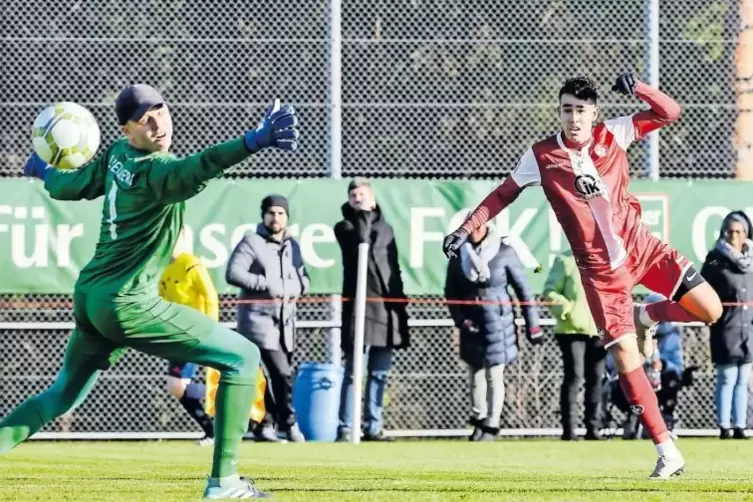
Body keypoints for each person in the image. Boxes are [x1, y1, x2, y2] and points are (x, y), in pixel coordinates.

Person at [4, 83, 299, 499]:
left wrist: (44, 170)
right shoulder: (153, 170)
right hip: (126, 302)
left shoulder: (117, 157)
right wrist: (253, 141)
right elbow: (201, 165)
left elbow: (70, 186)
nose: (158, 122)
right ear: (128, 130)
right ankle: (224, 483)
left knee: (62, 395)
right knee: (243, 356)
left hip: (91, 298)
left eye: (161, 110)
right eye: (145, 119)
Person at [442, 73, 722, 479]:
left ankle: (650, 315)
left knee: (711, 311)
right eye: (567, 109)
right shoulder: (541, 155)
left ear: (594, 113)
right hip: (600, 276)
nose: (573, 118)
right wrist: (466, 229)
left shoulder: (615, 133)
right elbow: (503, 193)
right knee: (626, 356)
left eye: (581, 110)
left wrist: (640, 88)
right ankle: (667, 449)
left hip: (643, 250)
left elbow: (671, 112)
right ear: (559, 111)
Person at [444, 220, 541, 441]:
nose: (474, 231)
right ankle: (478, 418)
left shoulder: (504, 251)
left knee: (494, 374)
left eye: (478, 226)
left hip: (499, 323)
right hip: (472, 322)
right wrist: (460, 320)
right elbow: (450, 292)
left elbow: (523, 290)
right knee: (475, 375)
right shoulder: (458, 253)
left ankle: (492, 424)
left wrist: (532, 325)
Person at [226, 194, 310, 443]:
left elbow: (303, 276)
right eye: (271, 212)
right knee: (280, 374)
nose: (276, 217)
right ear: (264, 215)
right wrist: (265, 284)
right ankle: (288, 423)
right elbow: (233, 273)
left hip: (286, 323)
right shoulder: (251, 242)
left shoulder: (293, 246)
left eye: (281, 213)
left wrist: (300, 287)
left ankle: (265, 425)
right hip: (257, 322)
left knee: (277, 376)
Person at [335, 178, 409, 442]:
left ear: (373, 197)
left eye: (362, 194)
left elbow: (393, 267)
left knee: (379, 373)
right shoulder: (344, 227)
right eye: (353, 194)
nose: (357, 198)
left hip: (385, 311)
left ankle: (373, 427)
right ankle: (346, 427)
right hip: (359, 309)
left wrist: (400, 306)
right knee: (354, 371)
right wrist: (363, 214)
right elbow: (361, 240)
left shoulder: (386, 229)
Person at [159, 227, 219, 447]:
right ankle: (212, 426)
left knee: (177, 385)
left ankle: (212, 430)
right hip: (176, 335)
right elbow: (162, 302)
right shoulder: (165, 269)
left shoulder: (191, 263)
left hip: (194, 334)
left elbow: (210, 296)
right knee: (176, 386)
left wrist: (209, 328)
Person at [700, 210, 753, 440]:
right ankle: (724, 425)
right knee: (727, 377)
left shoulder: (751, 259)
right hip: (726, 326)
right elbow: (702, 286)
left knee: (743, 379)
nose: (734, 236)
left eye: (739, 232)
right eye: (730, 231)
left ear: (746, 234)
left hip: (748, 327)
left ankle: (740, 425)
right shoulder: (714, 257)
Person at [543, 250, 606, 441]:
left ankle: (593, 428)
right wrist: (567, 309)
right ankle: (569, 430)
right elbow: (550, 291)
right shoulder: (565, 260)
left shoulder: (606, 260)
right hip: (570, 331)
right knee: (575, 376)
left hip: (598, 329)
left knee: (596, 377)